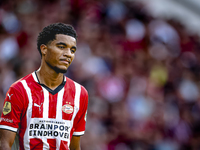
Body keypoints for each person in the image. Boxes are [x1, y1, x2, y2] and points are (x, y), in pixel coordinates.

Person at [0, 23, 89, 150]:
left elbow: (75, 146)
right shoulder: (19, 89)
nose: (68, 54)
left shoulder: (80, 93)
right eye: (61, 47)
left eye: (72, 50)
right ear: (44, 49)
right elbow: (4, 144)